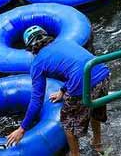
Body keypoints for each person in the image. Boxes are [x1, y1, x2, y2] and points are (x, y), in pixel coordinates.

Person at [6, 26, 111, 155]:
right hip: (102, 72)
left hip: (82, 83)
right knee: (95, 108)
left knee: (68, 123)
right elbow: (76, 65)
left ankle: (75, 154)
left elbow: (36, 100)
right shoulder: (66, 42)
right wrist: (63, 90)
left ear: (30, 48)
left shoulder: (37, 64)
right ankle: (97, 143)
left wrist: (22, 128)